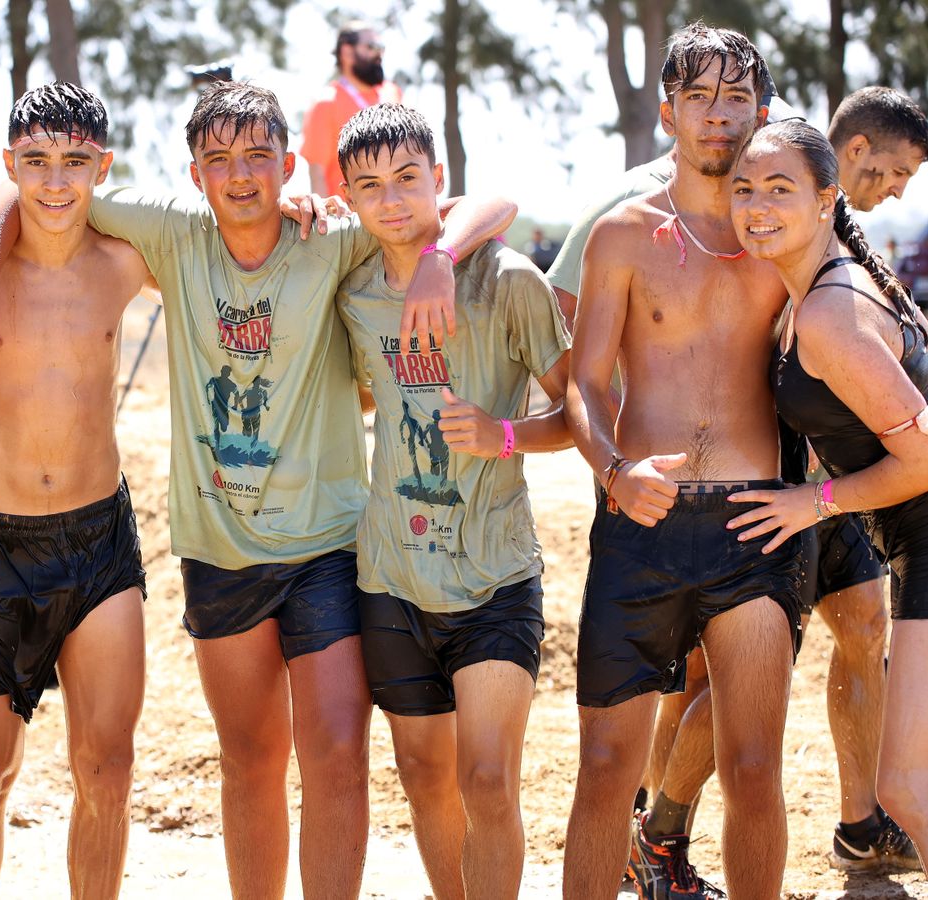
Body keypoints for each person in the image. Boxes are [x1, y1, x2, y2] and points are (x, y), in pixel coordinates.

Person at [0, 80, 515, 899]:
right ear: (194, 173)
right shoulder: (174, 234)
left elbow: (490, 202)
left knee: (336, 755)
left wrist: (440, 259)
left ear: (290, 163)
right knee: (250, 759)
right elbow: (36, 183)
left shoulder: (335, 235)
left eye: (258, 156)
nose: (240, 174)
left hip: (326, 543)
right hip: (219, 549)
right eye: (218, 159)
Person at [732, 118, 928, 900]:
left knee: (913, 789)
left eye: (778, 190)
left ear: (826, 200)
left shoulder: (828, 310)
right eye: (744, 190)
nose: (756, 207)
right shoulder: (835, 284)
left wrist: (813, 502)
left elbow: (927, 458)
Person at [560, 26, 807, 899]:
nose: (717, 115)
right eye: (697, 96)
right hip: (642, 522)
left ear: (762, 113)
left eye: (736, 97)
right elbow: (585, 383)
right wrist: (613, 471)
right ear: (668, 113)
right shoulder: (623, 234)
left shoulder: (791, 234)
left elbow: (886, 329)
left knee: (754, 768)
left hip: (754, 523)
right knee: (603, 768)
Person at [331, 103, 573, 898]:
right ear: (349, 197)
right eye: (370, 186)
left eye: (408, 178)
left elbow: (577, 412)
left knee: (489, 781)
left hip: (495, 574)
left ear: (439, 179)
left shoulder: (508, 280)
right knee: (423, 778)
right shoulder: (352, 288)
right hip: (391, 578)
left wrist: (503, 435)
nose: (392, 199)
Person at [0, 81, 152, 900]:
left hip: (98, 543)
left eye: (75, 162)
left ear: (103, 167)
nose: (56, 181)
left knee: (109, 768)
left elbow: (231, 242)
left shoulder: (125, 263)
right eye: (37, 161)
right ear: (9, 164)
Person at [300, 21, 402, 195]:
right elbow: (318, 175)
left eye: (381, 48)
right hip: (349, 211)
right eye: (371, 46)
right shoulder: (325, 103)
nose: (378, 53)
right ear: (347, 52)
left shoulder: (392, 94)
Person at [828, 86, 928, 213]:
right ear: (857, 149)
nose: (898, 193)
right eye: (898, 172)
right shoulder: (808, 215)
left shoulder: (827, 217)